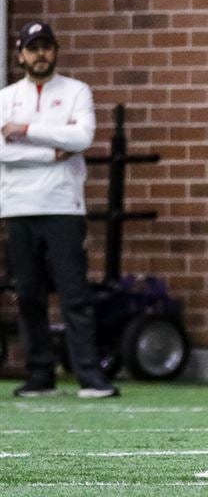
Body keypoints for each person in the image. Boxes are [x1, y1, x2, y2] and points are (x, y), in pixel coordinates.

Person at [1, 21, 118, 398]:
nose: (40, 54)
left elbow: (81, 137)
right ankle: (40, 374)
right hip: (18, 206)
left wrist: (25, 131)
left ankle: (89, 375)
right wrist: (53, 146)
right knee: (29, 293)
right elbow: (2, 152)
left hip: (64, 205)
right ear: (20, 54)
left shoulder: (76, 92)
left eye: (46, 47)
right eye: (33, 48)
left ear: (55, 50)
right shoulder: (5, 98)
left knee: (74, 292)